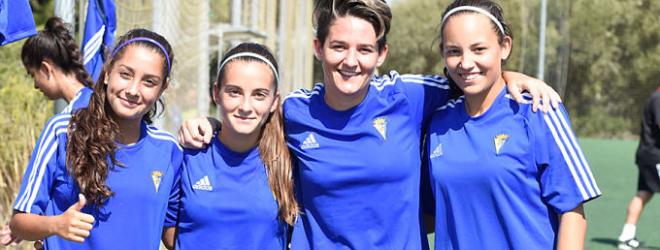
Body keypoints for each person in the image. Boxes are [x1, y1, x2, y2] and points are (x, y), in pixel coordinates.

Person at [179, 0, 561, 248]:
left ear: (382, 53)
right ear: (318, 48)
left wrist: (515, 77)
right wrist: (207, 124)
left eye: (365, 49)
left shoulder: (409, 96)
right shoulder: (294, 110)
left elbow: (472, 72)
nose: (351, 60)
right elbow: (247, 114)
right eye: (338, 47)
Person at [426, 0, 601, 249]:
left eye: (479, 49)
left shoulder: (538, 110)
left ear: (505, 46)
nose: (466, 62)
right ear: (443, 52)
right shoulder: (438, 123)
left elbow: (572, 212)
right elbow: (431, 214)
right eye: (454, 51)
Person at [9, 28, 181, 250]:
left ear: (162, 88)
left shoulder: (169, 151)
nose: (133, 90)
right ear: (108, 72)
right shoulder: (63, 131)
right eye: (125, 74)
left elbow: (174, 237)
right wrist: (56, 225)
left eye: (149, 81)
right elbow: (19, 222)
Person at [162, 43, 298, 249]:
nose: (245, 106)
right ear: (216, 93)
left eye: (259, 94)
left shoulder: (289, 163)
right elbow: (170, 231)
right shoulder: (188, 156)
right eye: (234, 92)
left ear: (274, 101)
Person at [616, 87, 660, 250]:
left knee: (644, 194)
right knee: (643, 194)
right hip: (655, 157)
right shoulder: (658, 99)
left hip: (648, 156)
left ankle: (626, 237)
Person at [21, 16, 94, 113]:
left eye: (33, 75)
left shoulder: (61, 125)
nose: (35, 85)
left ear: (45, 69)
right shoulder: (101, 104)